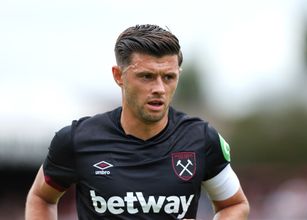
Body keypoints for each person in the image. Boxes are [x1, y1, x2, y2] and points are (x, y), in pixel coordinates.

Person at [25, 24, 250, 220]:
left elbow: (235, 204)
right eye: (147, 76)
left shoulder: (200, 139)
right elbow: (41, 197)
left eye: (169, 77)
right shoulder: (77, 139)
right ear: (118, 76)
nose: (159, 89)